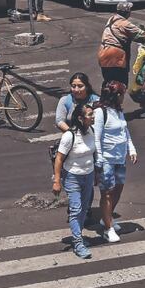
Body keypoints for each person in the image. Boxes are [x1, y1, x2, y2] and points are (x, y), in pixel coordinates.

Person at [52, 102, 98, 259]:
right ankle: (78, 243)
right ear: (80, 118)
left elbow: (93, 153)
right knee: (76, 209)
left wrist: (96, 174)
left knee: (84, 210)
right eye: (90, 115)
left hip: (89, 175)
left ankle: (79, 237)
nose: (93, 117)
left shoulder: (91, 130)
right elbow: (59, 159)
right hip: (72, 177)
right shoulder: (69, 136)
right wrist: (57, 181)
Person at [94, 80, 137, 243]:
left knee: (118, 189)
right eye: (122, 95)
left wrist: (131, 149)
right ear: (116, 95)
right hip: (106, 160)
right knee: (107, 192)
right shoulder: (101, 113)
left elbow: (125, 132)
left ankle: (107, 217)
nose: (123, 98)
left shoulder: (118, 112)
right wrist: (99, 158)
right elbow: (97, 138)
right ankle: (108, 228)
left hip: (120, 159)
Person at [98, 1, 145, 87]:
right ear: (127, 12)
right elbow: (141, 35)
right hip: (114, 55)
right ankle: (117, 98)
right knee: (120, 83)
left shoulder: (112, 19)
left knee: (108, 81)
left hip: (103, 52)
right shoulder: (125, 24)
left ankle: (106, 97)